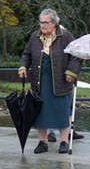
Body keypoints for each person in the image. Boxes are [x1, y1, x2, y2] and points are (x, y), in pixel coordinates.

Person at [18, 9, 81, 154]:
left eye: (45, 22)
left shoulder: (65, 36)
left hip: (61, 81)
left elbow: (76, 54)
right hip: (39, 81)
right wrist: (23, 66)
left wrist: (71, 72)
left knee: (62, 111)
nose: (42, 25)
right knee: (40, 113)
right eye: (41, 22)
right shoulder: (35, 36)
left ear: (54, 23)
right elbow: (26, 54)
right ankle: (42, 142)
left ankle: (64, 142)